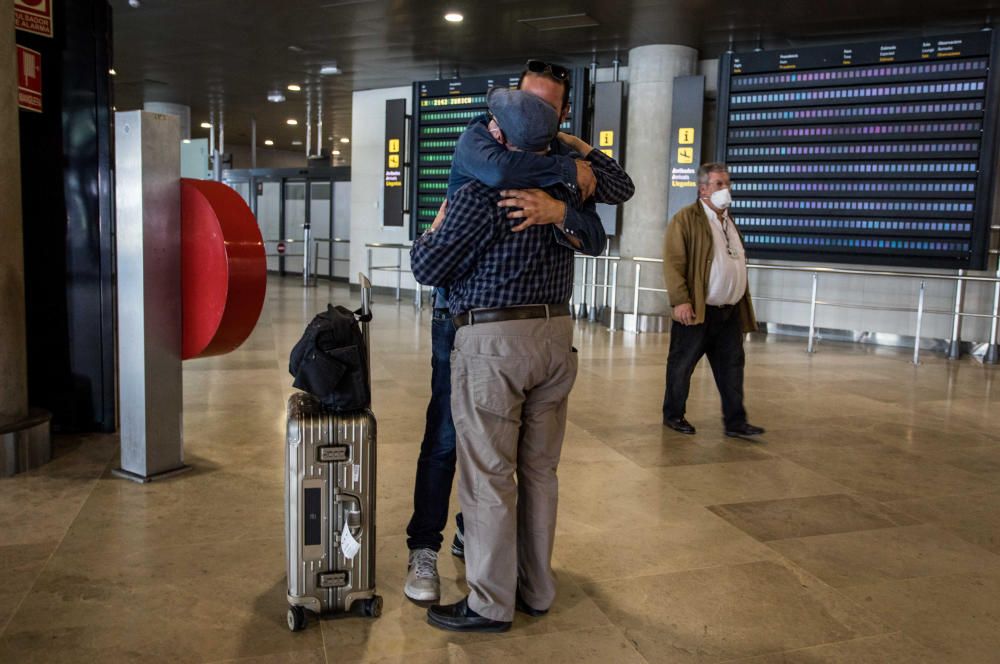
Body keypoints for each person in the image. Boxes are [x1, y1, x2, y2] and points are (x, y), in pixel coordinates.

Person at [403, 60, 634, 603]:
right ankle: (429, 550)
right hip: (465, 320)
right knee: (451, 441)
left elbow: (608, 212)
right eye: (523, 103)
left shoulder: (543, 163)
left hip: (507, 331)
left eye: (543, 108)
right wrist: (564, 179)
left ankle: (489, 570)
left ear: (562, 115)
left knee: (501, 462)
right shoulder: (480, 148)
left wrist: (560, 209)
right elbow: (505, 173)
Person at [661, 162, 764, 438]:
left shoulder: (728, 222)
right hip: (696, 310)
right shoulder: (686, 219)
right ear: (703, 188)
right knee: (681, 365)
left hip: (728, 312)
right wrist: (680, 299)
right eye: (719, 184)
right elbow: (673, 262)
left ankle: (736, 422)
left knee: (732, 367)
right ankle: (673, 415)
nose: (725, 189)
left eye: (727, 184)